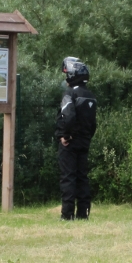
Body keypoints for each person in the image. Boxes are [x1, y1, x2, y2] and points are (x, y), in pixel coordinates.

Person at [55, 57, 97, 220]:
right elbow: (93, 123)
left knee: (68, 177)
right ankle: (83, 213)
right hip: (84, 142)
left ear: (72, 75)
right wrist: (86, 137)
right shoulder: (90, 96)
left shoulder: (70, 94)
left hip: (70, 142)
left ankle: (67, 215)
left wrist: (65, 136)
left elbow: (69, 116)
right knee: (82, 177)